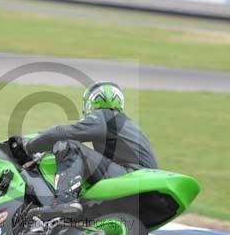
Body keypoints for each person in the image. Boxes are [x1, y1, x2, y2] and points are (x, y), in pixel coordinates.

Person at [20, 81, 158, 219]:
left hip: (131, 176)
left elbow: (62, 132)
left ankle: (65, 200)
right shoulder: (128, 124)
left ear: (90, 102)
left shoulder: (105, 117)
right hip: (146, 185)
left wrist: (29, 145)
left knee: (71, 146)